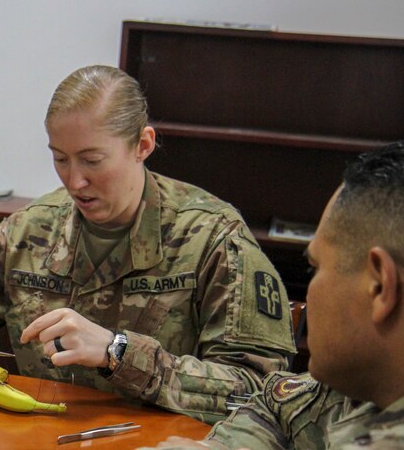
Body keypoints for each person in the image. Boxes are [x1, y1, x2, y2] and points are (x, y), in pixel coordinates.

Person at [0, 65, 296, 424]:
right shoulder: (27, 232)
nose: (74, 182)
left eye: (92, 160)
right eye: (61, 159)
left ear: (143, 145)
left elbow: (261, 392)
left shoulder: (214, 239)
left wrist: (119, 353)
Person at [143, 141, 404, 449]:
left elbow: (248, 382)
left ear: (379, 286)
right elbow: (273, 402)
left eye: (315, 268)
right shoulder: (358, 386)